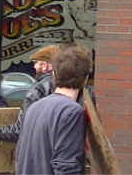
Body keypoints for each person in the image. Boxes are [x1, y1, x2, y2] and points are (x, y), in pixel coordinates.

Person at [15, 44, 91, 175]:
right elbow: (66, 166)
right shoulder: (71, 112)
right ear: (85, 79)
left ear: (54, 75)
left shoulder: (34, 108)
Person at [0, 45, 59, 144]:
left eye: (35, 63)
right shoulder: (66, 87)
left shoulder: (38, 90)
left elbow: (21, 129)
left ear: (44, 65)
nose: (34, 67)